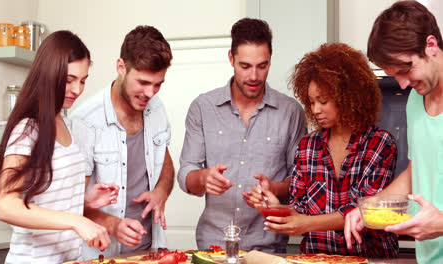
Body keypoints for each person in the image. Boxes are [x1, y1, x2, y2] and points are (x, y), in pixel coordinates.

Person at [245, 43, 399, 257]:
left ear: (349, 96)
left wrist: (306, 224)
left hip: (369, 258)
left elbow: (366, 212)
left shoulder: (380, 144)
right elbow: (299, 207)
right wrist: (274, 206)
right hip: (316, 258)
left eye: (323, 101)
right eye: (311, 102)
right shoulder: (307, 146)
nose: (315, 110)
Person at [177, 18, 307, 252]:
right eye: (245, 66)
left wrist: (274, 189)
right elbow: (186, 173)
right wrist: (203, 178)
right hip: (213, 246)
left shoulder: (291, 112)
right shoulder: (203, 107)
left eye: (262, 65)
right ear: (231, 59)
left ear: (271, 58)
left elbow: (300, 182)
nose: (254, 76)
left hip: (268, 247)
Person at [0, 30, 118, 263]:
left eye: (82, 81)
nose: (77, 90)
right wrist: (77, 221)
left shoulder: (65, 124)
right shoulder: (28, 128)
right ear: (49, 74)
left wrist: (84, 200)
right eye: (69, 80)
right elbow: (5, 206)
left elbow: (46, 200)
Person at [344, 1, 443, 263]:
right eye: (394, 74)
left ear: (431, 45)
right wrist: (368, 209)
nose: (403, 83)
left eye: (406, 68)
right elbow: (416, 169)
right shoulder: (415, 100)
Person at [72, 25, 175, 259]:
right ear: (121, 67)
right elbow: (72, 205)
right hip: (101, 254)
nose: (150, 93)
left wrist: (160, 192)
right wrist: (113, 225)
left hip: (150, 251)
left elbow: (166, 164)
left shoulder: (156, 109)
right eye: (143, 82)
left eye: (157, 84)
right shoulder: (85, 121)